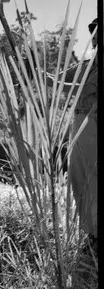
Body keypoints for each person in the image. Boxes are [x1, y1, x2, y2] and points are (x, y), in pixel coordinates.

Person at [60, 18, 98, 248]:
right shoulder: (87, 62)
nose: (95, 38)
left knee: (92, 178)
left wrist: (50, 82)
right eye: (93, 33)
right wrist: (36, 73)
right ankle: (88, 230)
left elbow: (82, 87)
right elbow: (65, 76)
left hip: (92, 123)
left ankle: (95, 234)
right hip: (78, 121)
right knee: (77, 178)